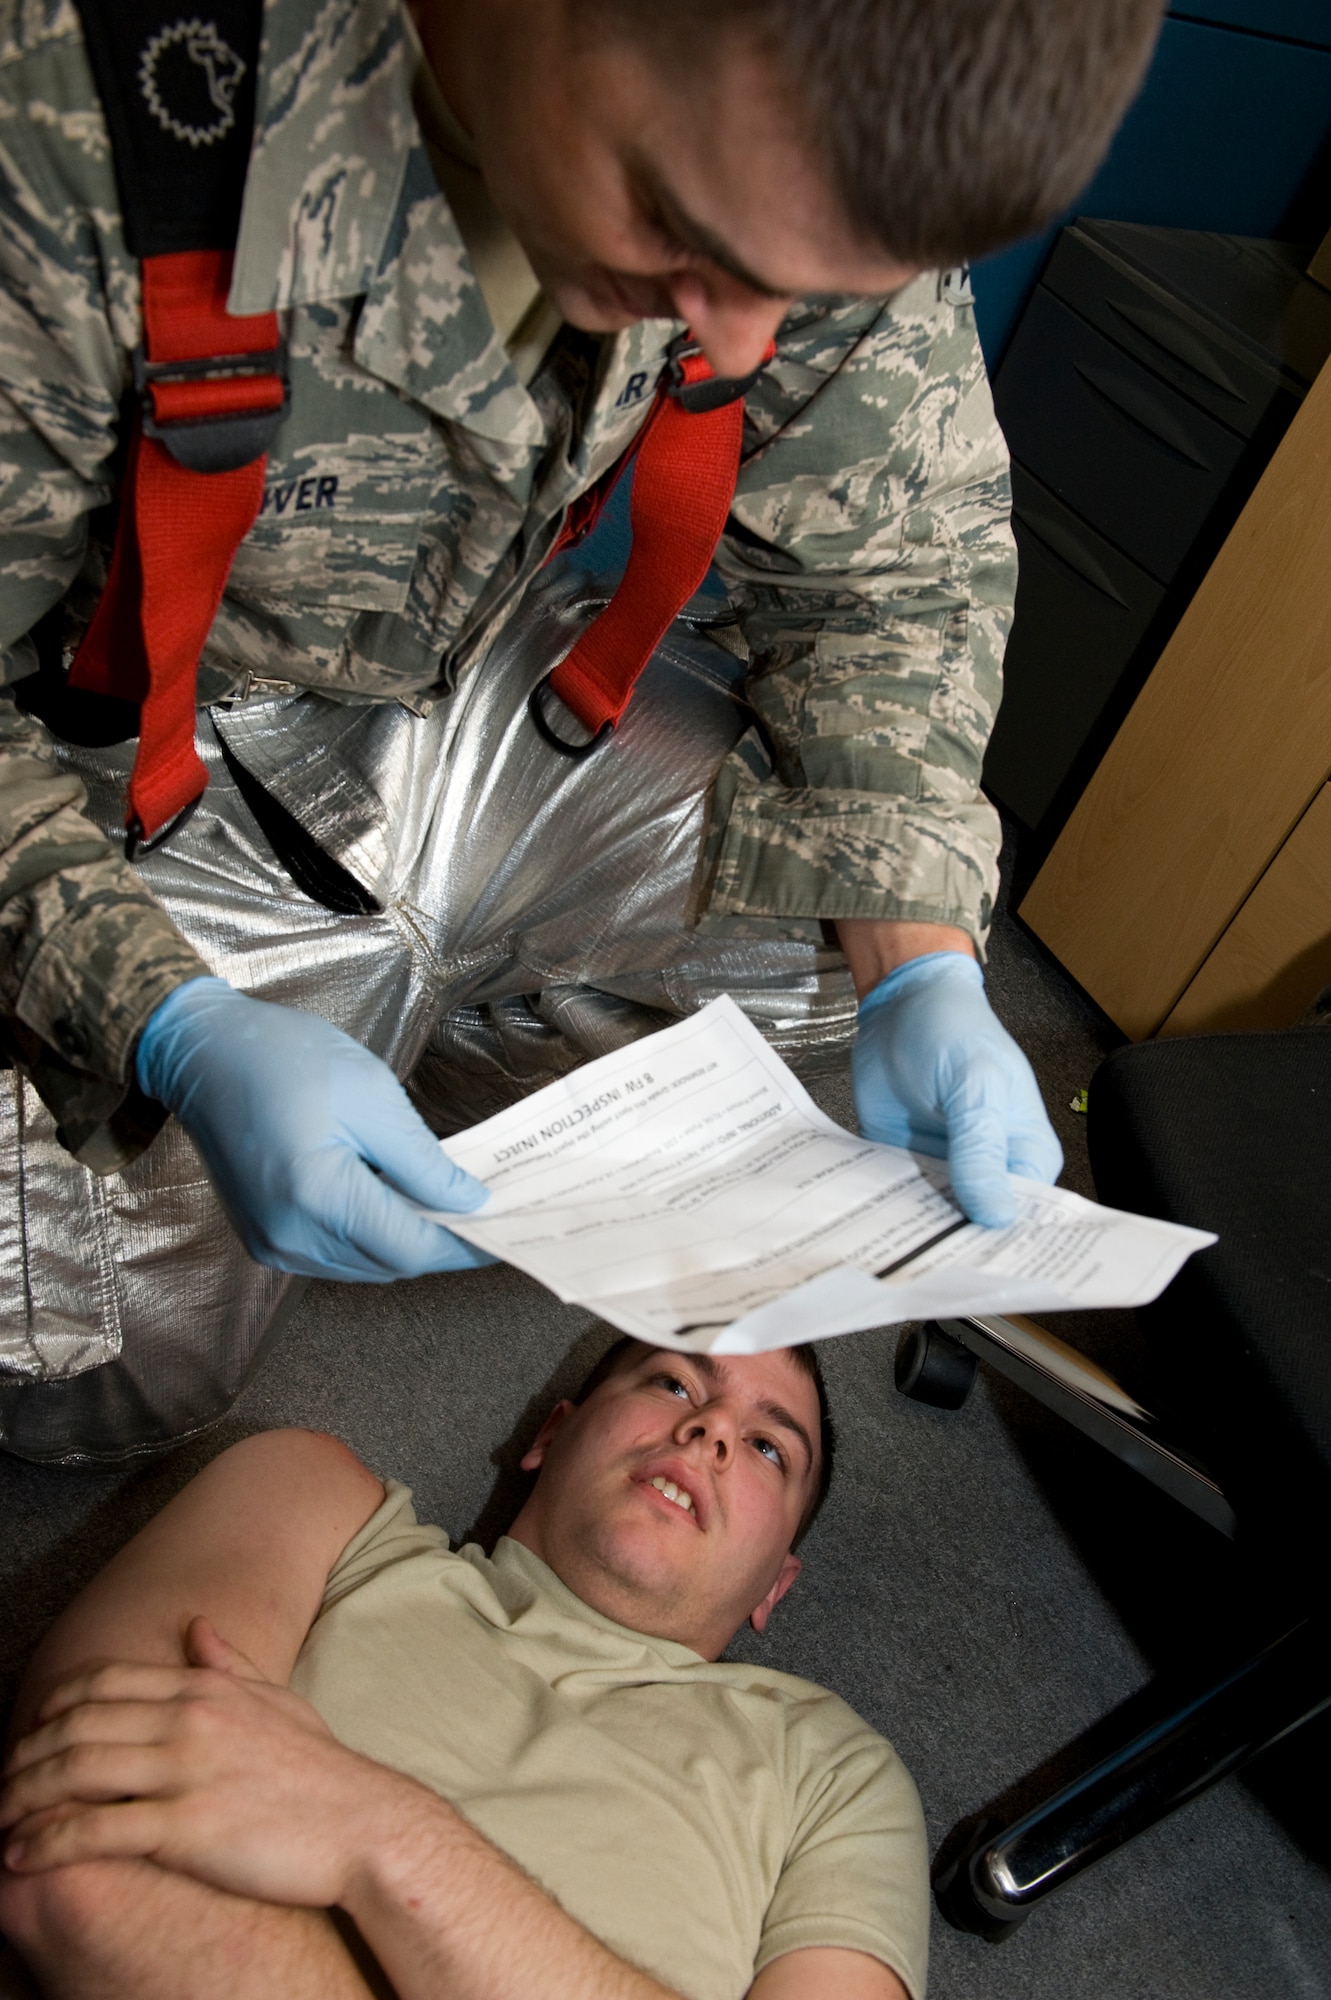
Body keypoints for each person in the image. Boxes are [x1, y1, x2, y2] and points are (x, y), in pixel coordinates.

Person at [0, 0, 1164, 1459]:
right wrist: (161, 1019)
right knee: (112, 1377)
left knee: (834, 961)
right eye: (678, 226)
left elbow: (892, 568)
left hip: (473, 683)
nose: (737, 332)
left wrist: (913, 964)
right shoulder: (66, 117)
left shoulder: (807, 106)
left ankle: (378, 1008)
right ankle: (279, 1036)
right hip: (97, 756)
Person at [0, 1339, 929, 1999]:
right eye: (674, 1382)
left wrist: (382, 1832)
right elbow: (78, 1855)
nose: (712, 1431)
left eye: (769, 1446)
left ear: (778, 1584)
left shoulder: (842, 1777)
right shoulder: (314, 1500)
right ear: (552, 1434)